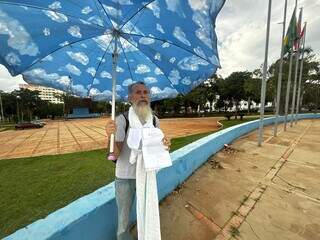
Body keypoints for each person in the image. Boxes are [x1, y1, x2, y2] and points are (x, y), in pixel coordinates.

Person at [105, 81, 171, 240]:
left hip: (148, 174)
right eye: (138, 92)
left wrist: (165, 145)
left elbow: (156, 147)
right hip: (125, 178)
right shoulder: (122, 120)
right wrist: (110, 136)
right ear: (130, 97)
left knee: (148, 212)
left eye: (146, 92)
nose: (143, 95)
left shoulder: (155, 120)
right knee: (124, 218)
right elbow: (114, 154)